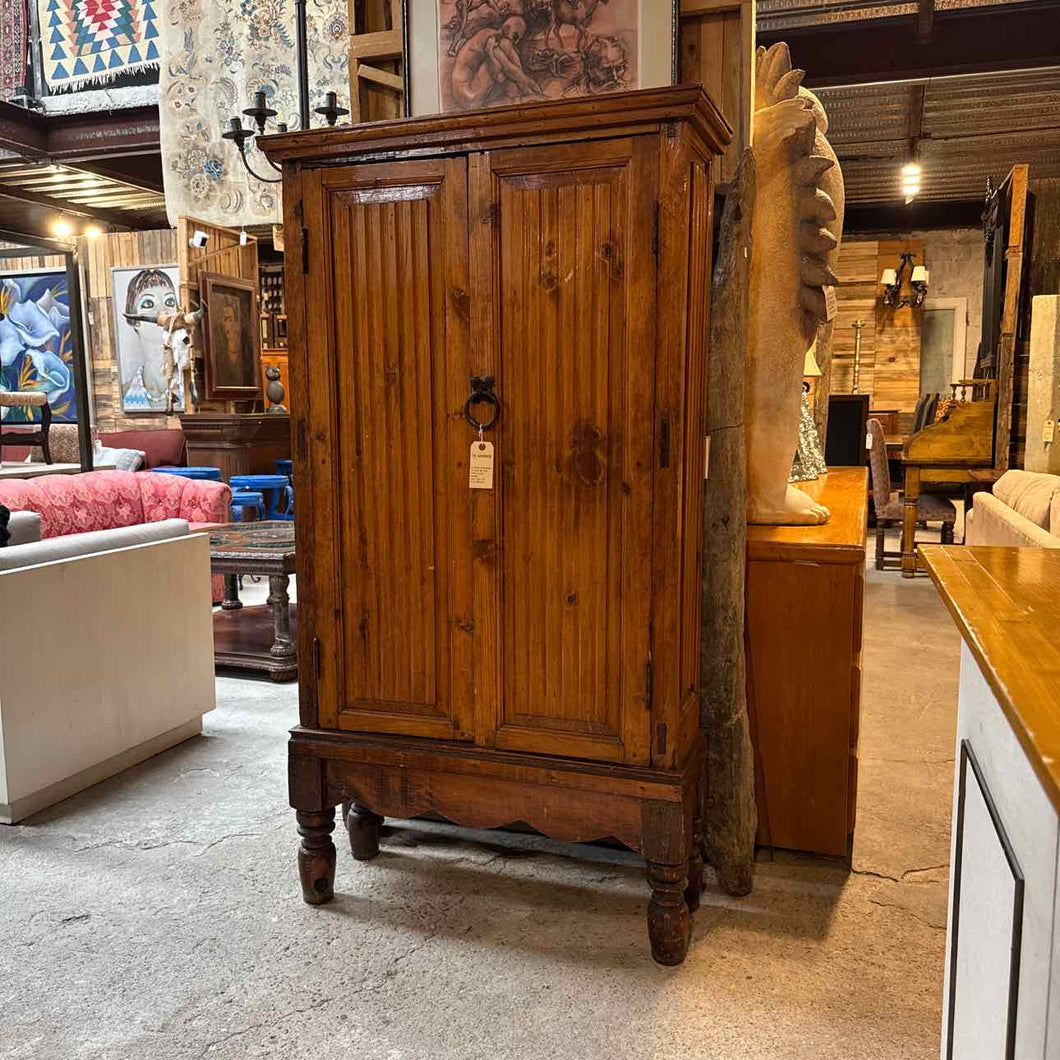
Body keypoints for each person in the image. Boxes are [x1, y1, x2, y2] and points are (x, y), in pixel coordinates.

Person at [449, 16, 545, 110]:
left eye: (518, 38)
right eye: (515, 36)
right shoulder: (491, 38)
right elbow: (507, 68)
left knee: (504, 59)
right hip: (468, 95)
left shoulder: (492, 36)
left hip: (466, 93)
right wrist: (530, 82)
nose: (516, 41)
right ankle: (526, 91)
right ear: (506, 28)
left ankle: (525, 90)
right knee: (504, 53)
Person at [212, 294, 256, 389]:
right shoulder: (218, 355)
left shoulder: (246, 353)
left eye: (229, 320)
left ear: (237, 323)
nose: (225, 325)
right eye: (223, 320)